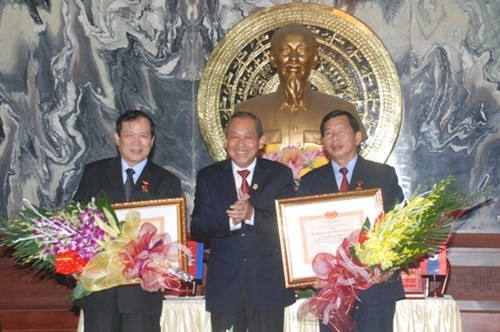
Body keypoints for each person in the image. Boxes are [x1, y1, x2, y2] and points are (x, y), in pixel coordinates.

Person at [73, 110, 182, 332]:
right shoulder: (94, 173)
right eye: (129, 135)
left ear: (152, 141)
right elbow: (77, 221)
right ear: (117, 138)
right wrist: (74, 260)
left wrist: (159, 271)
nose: (136, 142)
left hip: (142, 292)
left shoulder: (167, 182)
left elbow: (170, 238)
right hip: (101, 289)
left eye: (143, 135)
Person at [297, 109, 405, 332]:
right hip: (330, 291)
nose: (334, 138)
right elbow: (301, 235)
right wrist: (308, 274)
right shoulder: (310, 182)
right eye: (328, 133)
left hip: (375, 289)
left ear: (358, 137)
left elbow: (398, 227)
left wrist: (386, 266)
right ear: (323, 142)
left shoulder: (382, 175)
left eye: (341, 131)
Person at [190, 111, 296, 332]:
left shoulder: (280, 175)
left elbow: (288, 224)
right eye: (234, 136)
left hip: (268, 287)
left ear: (261, 141)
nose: (240, 143)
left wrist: (252, 215)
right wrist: (231, 221)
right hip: (225, 288)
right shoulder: (208, 176)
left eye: (248, 136)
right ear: (226, 141)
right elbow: (198, 227)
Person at [236, 23, 367, 148]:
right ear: (273, 58)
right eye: (285, 50)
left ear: (315, 58)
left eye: (302, 50)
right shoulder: (248, 111)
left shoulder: (343, 110)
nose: (294, 58)